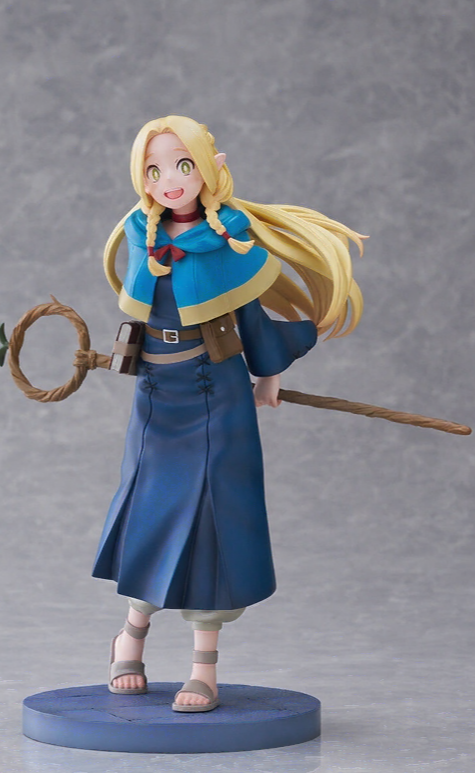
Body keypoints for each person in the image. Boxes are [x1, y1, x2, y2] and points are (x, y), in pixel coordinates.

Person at [91, 116, 364, 711]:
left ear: (211, 167)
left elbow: (252, 319)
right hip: (157, 396)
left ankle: (203, 669)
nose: (170, 179)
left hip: (217, 393)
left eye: (183, 165)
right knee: (150, 509)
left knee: (215, 521)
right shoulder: (142, 230)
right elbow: (139, 309)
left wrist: (269, 372)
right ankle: (130, 636)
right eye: (154, 169)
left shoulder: (230, 238)